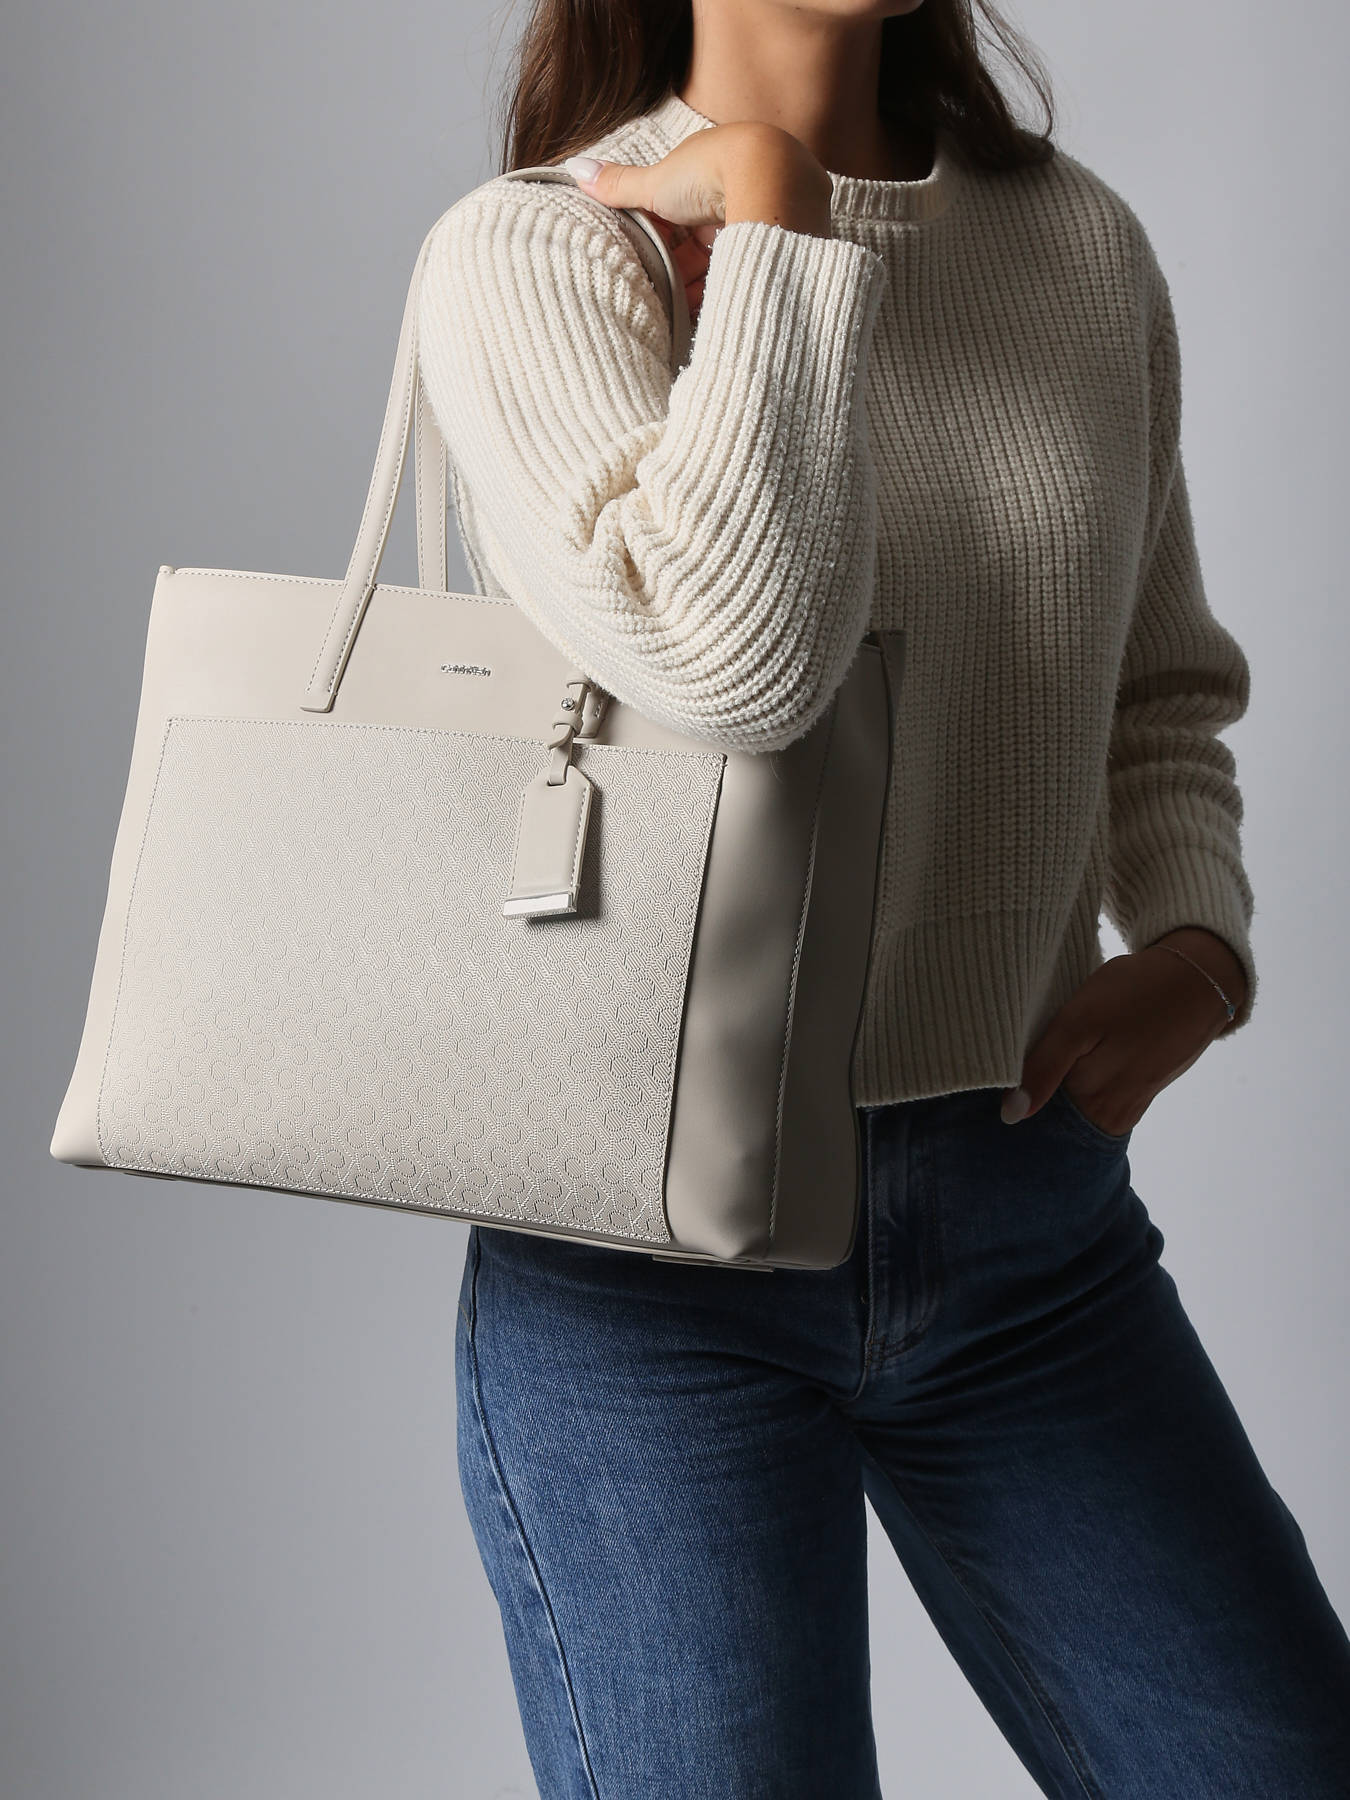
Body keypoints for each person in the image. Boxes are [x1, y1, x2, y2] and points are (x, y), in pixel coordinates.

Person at [416, 2, 1350, 1794]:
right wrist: (773, 219)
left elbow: (1156, 683)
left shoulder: (1072, 245)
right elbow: (735, 666)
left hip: (1027, 1215)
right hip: (648, 1270)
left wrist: (1196, 945)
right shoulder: (540, 253)